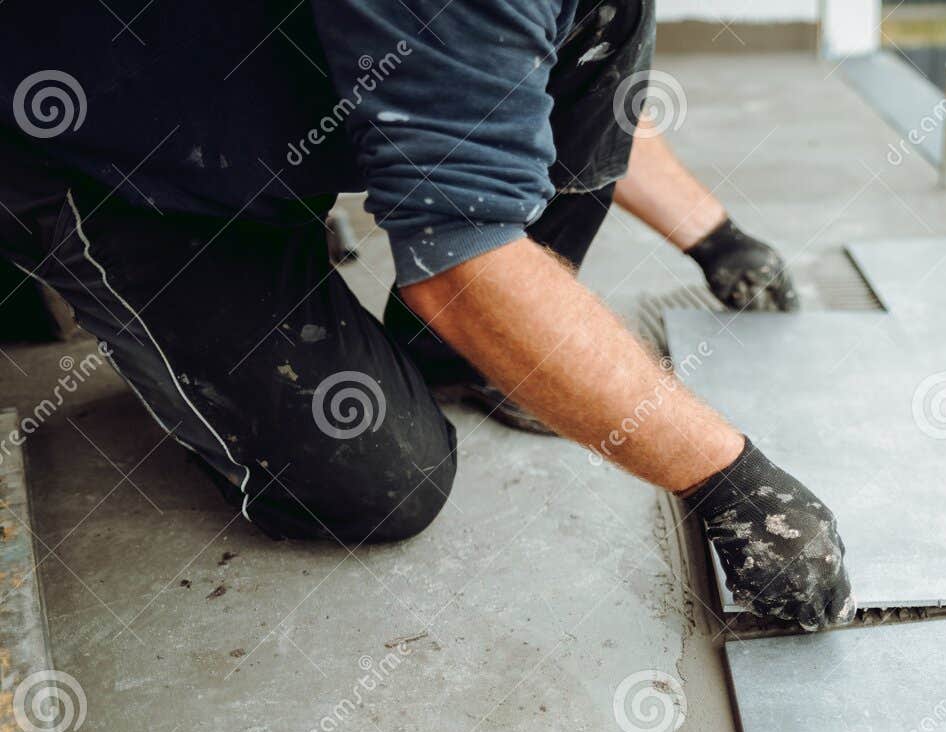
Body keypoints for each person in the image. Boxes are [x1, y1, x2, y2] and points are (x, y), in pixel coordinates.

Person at [0, 0, 854, 630]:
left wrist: (716, 237)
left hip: (243, 89)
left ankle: (469, 350)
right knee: (377, 481)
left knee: (608, 16)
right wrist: (728, 479)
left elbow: (539, 59)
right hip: (127, 164)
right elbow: (461, 264)